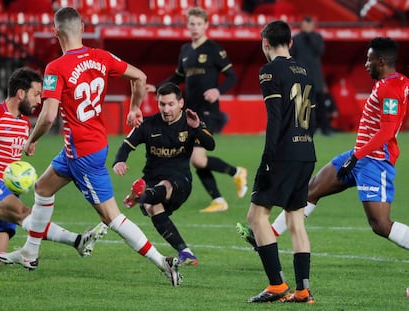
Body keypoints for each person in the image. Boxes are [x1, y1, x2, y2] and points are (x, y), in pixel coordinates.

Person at [0, 7, 182, 286]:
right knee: (42, 188)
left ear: (55, 33)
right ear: (82, 27)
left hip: (83, 152)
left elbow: (47, 116)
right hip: (81, 145)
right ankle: (30, 253)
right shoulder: (101, 57)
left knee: (111, 216)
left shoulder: (55, 68)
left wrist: (32, 140)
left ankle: (163, 262)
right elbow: (141, 77)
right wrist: (134, 107)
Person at [237, 37, 409, 258]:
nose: (366, 64)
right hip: (359, 156)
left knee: (381, 225)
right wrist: (355, 156)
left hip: (375, 162)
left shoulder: (391, 88)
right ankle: (267, 235)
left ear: (382, 61)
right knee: (311, 190)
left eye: (370, 60)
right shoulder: (397, 82)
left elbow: (387, 131)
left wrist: (356, 156)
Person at [0, 67, 106, 270]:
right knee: (24, 214)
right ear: (21, 93)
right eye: (37, 94)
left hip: (9, 190)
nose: (40, 101)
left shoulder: (25, 124)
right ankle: (77, 240)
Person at [145, 6, 247, 213]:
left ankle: (236, 172)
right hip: (190, 112)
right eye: (192, 23)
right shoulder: (185, 50)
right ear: (187, 24)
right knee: (196, 159)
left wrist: (218, 91)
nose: (195, 27)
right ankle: (218, 199)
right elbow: (178, 78)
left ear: (206, 25)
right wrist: (157, 87)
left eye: (199, 24)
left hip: (208, 110)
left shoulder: (214, 49)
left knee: (197, 159)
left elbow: (232, 77)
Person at [245, 20, 316, 304]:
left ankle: (276, 285)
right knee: (296, 221)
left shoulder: (269, 72)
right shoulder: (306, 70)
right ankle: (303, 290)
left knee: (256, 217)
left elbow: (274, 119)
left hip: (283, 153)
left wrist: (266, 161)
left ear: (265, 43)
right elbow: (312, 116)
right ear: (291, 43)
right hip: (306, 152)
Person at [113, 82, 215, 266]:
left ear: (181, 103)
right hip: (151, 179)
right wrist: (119, 161)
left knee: (165, 186)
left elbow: (210, 145)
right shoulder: (148, 124)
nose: (166, 109)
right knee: (154, 208)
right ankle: (185, 252)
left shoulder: (190, 121)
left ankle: (140, 196)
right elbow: (126, 145)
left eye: (170, 104)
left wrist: (197, 127)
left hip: (180, 180)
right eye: (162, 104)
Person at [290, 16, 330, 135]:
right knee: (302, 104)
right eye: (305, 25)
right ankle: (304, 129)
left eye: (309, 25)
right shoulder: (296, 39)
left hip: (316, 76)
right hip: (302, 76)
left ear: (313, 26)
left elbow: (320, 51)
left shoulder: (317, 38)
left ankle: (325, 129)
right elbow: (291, 56)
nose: (307, 27)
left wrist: (310, 37)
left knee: (321, 104)